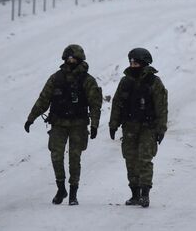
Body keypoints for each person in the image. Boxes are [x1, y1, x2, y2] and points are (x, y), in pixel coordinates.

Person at [24, 44, 102, 206]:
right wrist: (31, 118)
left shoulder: (87, 80)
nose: (70, 60)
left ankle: (73, 193)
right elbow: (43, 99)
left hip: (78, 124)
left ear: (79, 59)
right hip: (58, 123)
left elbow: (95, 104)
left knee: (75, 158)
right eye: (67, 58)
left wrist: (94, 124)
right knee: (56, 156)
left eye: (73, 58)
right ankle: (61, 188)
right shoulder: (56, 78)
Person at [109, 48, 168, 208]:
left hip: (148, 127)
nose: (132, 64)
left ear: (143, 63)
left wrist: (161, 129)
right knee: (130, 159)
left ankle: (145, 193)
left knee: (144, 160)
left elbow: (161, 107)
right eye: (131, 62)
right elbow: (117, 104)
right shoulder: (125, 81)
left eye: (135, 62)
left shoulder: (154, 82)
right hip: (129, 127)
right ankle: (134, 193)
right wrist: (113, 124)